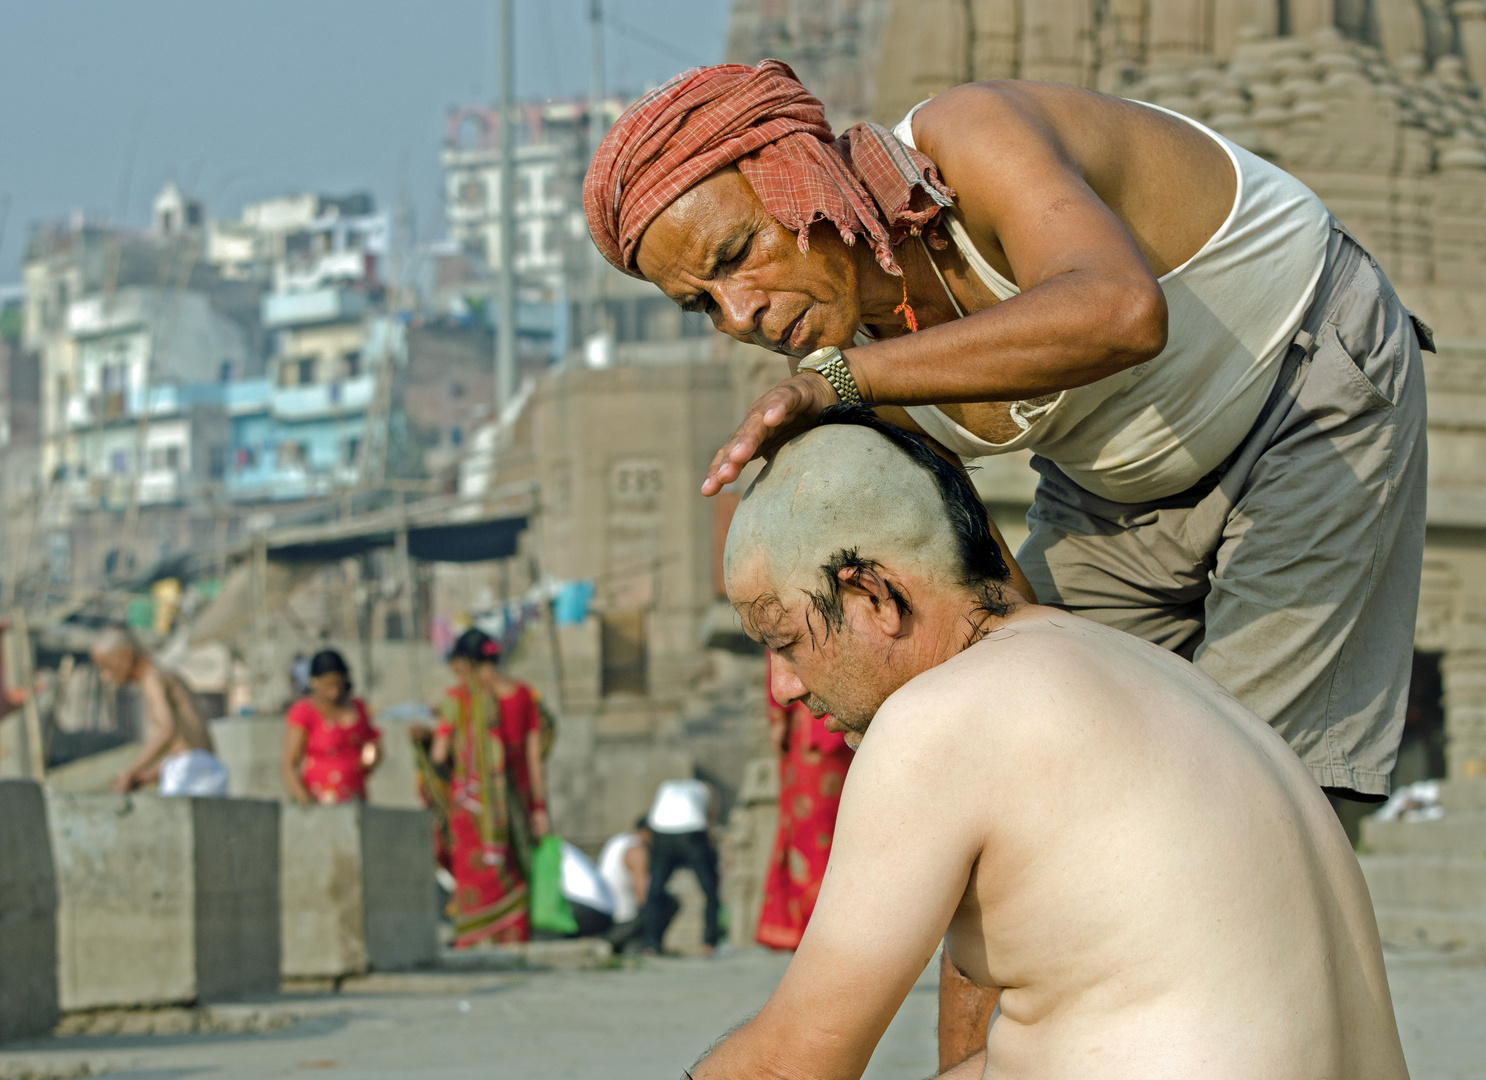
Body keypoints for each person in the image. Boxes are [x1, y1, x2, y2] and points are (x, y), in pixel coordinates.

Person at [585, 60, 1428, 1057]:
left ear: (794, 175)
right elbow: (980, 598)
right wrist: (978, 757)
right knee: (1004, 814)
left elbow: (1119, 313)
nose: (740, 314)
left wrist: (842, 383)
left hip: (1301, 399)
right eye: (702, 303)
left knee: (1238, 783)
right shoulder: (858, 369)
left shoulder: (966, 142)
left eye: (737, 253)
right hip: (1111, 483)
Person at [687, 412, 1409, 1079]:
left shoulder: (939, 719)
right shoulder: (1157, 674)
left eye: (784, 641)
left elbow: (791, 1065)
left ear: (873, 594)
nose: (782, 686)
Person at [428, 628, 548, 948]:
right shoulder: (523, 695)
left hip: (471, 812)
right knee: (514, 875)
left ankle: (473, 944)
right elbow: (535, 760)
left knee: (474, 882)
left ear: (465, 662)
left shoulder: (459, 699)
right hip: (513, 807)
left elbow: (438, 754)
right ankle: (515, 942)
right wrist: (539, 809)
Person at [757, 661, 853, 950]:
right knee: (814, 834)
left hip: (824, 729)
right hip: (819, 731)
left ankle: (825, 927)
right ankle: (816, 927)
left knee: (825, 833)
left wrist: (777, 719)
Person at [90, 626, 228, 797]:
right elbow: (188, 743)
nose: (105, 676)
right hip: (209, 770)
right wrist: (153, 774)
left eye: (106, 667)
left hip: (189, 772)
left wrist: (129, 772)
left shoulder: (152, 680)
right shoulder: (167, 675)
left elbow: (167, 731)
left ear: (124, 657)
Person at [282, 649, 381, 804]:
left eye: (337, 684)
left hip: (354, 797)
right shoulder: (304, 712)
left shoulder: (358, 708)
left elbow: (372, 745)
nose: (334, 692)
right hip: (319, 800)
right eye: (328, 685)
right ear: (315, 682)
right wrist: (305, 800)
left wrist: (370, 759)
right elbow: (290, 765)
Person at [641, 777, 722, 956]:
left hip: (661, 831)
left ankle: (651, 943)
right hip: (692, 831)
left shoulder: (666, 786)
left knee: (655, 888)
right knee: (709, 887)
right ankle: (709, 942)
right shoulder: (705, 789)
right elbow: (711, 819)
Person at [599, 818, 665, 954]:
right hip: (621, 922)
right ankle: (648, 946)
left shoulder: (619, 841)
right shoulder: (638, 851)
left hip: (603, 917)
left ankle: (632, 945)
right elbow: (645, 896)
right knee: (667, 902)